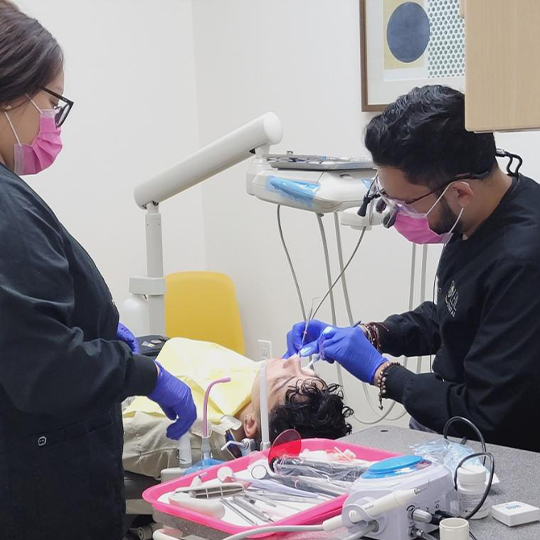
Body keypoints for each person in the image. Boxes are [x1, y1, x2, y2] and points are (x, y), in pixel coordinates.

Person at [0, 4, 196, 539]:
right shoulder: (6, 209)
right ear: (12, 94)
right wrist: (144, 373)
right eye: (50, 105)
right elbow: (45, 370)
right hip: (41, 491)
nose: (51, 123)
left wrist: (100, 337)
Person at [285, 85, 540, 453]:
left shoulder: (523, 261)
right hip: (448, 429)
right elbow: (455, 315)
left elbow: (486, 415)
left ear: (459, 193)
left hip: (500, 448)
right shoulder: (476, 216)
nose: (395, 213)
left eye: (404, 202)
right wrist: (374, 334)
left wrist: (382, 373)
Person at [122, 337, 353, 478]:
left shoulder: (198, 435)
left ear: (251, 423)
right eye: (308, 370)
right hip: (150, 353)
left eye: (283, 380)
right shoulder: (258, 393)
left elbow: (111, 438)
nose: (294, 361)